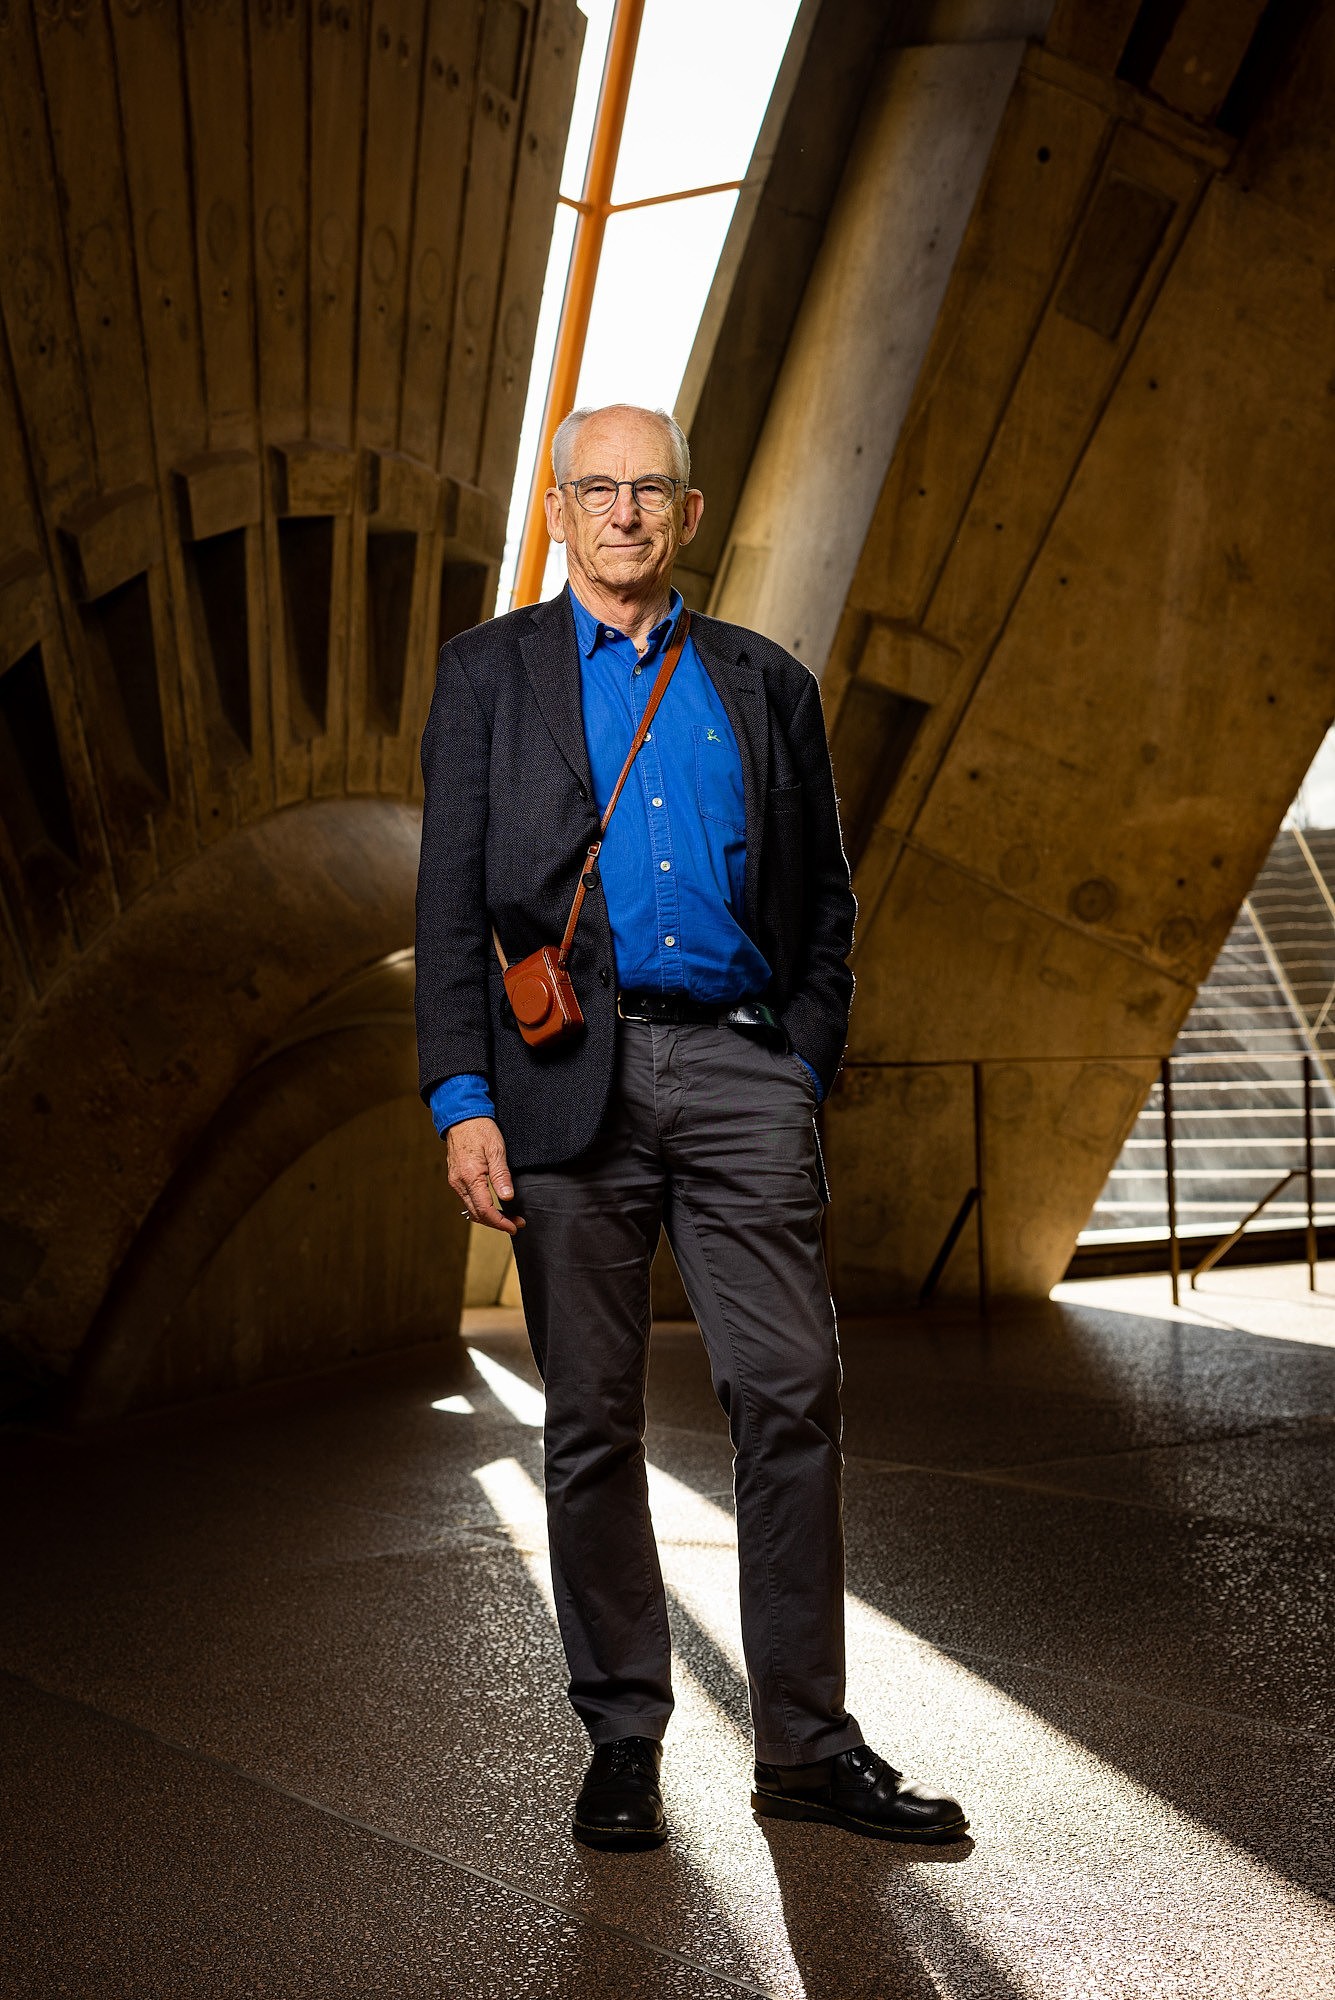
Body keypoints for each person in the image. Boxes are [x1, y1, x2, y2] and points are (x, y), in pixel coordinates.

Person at [415, 403, 966, 1851]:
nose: (622, 511)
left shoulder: (764, 683)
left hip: (736, 1072)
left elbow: (825, 902)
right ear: (557, 512)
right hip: (563, 1080)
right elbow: (448, 901)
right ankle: (623, 1738)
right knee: (591, 1423)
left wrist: (799, 1060)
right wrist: (460, 1095)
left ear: (690, 511)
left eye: (648, 487)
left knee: (789, 1395)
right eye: (595, 488)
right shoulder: (487, 677)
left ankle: (804, 1744)